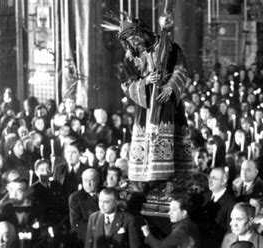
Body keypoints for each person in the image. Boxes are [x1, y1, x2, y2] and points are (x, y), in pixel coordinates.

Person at [118, 15, 193, 182]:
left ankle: (172, 177)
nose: (133, 42)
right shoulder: (131, 55)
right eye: (129, 39)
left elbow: (182, 67)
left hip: (166, 99)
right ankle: (146, 177)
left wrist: (171, 86)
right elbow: (126, 83)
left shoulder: (168, 46)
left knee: (170, 135)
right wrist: (144, 81)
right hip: (145, 103)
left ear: (142, 32)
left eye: (134, 37)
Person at [201, 167, 236, 248]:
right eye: (209, 177)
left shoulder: (230, 202)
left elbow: (230, 231)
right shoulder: (205, 197)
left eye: (214, 178)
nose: (210, 181)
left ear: (223, 181)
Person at [69, 168, 100, 247]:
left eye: (92, 181)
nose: (88, 184)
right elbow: (75, 222)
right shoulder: (76, 198)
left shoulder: (104, 193)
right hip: (87, 237)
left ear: (98, 180)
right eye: (85, 181)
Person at [31, 159, 67, 227]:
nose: (46, 172)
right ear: (36, 172)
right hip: (44, 224)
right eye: (42, 170)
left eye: (48, 169)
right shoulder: (33, 189)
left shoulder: (56, 185)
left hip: (59, 221)